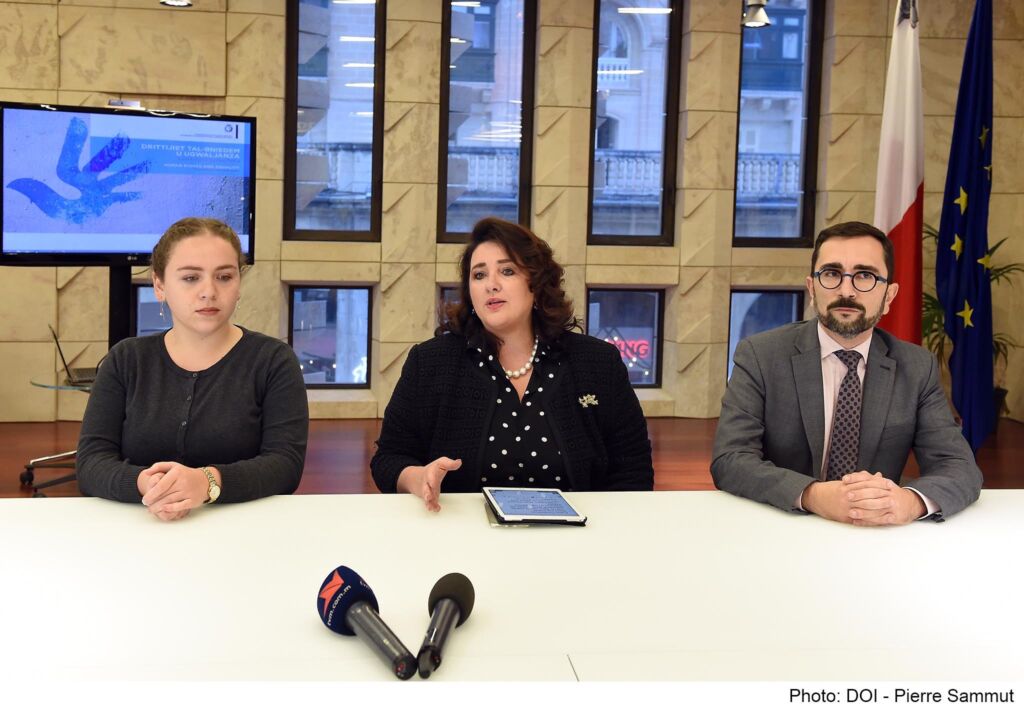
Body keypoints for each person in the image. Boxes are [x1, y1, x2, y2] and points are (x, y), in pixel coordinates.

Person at [371, 217, 653, 511]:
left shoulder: (597, 362)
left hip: (575, 541)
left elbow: (633, 471)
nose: (491, 285)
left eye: (507, 271)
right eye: (479, 275)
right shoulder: (430, 362)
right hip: (463, 539)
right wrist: (419, 479)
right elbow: (389, 458)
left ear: (536, 284)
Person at [711, 221, 982, 525]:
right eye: (831, 274)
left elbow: (959, 467)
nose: (846, 290)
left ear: (889, 296)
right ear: (812, 288)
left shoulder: (916, 367)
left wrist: (910, 502)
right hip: (784, 525)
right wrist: (812, 494)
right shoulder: (761, 355)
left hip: (876, 534)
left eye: (865, 276)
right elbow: (730, 459)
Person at [76, 217, 309, 521]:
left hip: (245, 531)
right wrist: (146, 485)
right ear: (159, 285)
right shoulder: (126, 359)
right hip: (139, 528)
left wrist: (207, 482)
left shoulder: (274, 360)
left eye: (224, 277)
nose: (208, 292)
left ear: (239, 283)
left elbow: (285, 464)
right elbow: (91, 462)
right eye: (190, 278)